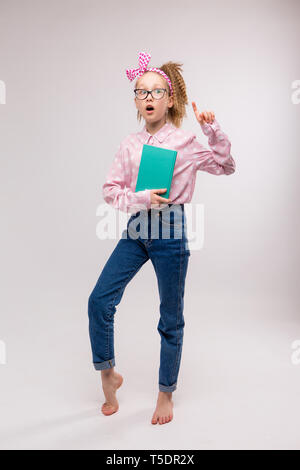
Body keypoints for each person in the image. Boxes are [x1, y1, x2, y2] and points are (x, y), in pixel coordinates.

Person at [88, 51, 236, 425]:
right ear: (136, 101)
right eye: (141, 92)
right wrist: (141, 198)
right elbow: (110, 190)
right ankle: (109, 374)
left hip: (171, 232)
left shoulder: (186, 142)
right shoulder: (130, 144)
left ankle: (165, 393)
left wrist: (212, 129)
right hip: (138, 230)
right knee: (99, 301)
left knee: (170, 317)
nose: (149, 97)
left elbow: (226, 165)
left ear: (170, 99)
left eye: (156, 91)